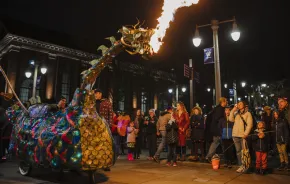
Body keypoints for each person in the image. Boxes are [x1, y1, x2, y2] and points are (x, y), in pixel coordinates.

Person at [229, 101, 253, 173]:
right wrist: (233, 110)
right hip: (235, 135)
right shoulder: (236, 113)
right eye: (238, 104)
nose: (238, 105)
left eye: (240, 104)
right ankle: (240, 165)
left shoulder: (248, 114)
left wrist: (246, 133)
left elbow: (249, 125)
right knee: (238, 151)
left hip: (243, 135)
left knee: (244, 151)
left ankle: (245, 165)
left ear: (244, 105)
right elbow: (230, 119)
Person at [95, 88, 113, 171]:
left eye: (97, 93)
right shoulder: (92, 103)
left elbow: (111, 114)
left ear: (100, 94)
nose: (96, 95)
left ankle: (106, 164)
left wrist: (109, 125)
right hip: (94, 126)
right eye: (95, 94)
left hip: (104, 126)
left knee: (105, 145)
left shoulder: (107, 102)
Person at [205, 97, 228, 162]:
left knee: (215, 143)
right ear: (223, 102)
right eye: (226, 101)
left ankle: (209, 156)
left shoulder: (216, 109)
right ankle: (227, 158)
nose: (226, 102)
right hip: (219, 129)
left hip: (215, 129)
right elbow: (219, 119)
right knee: (221, 143)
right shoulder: (221, 109)